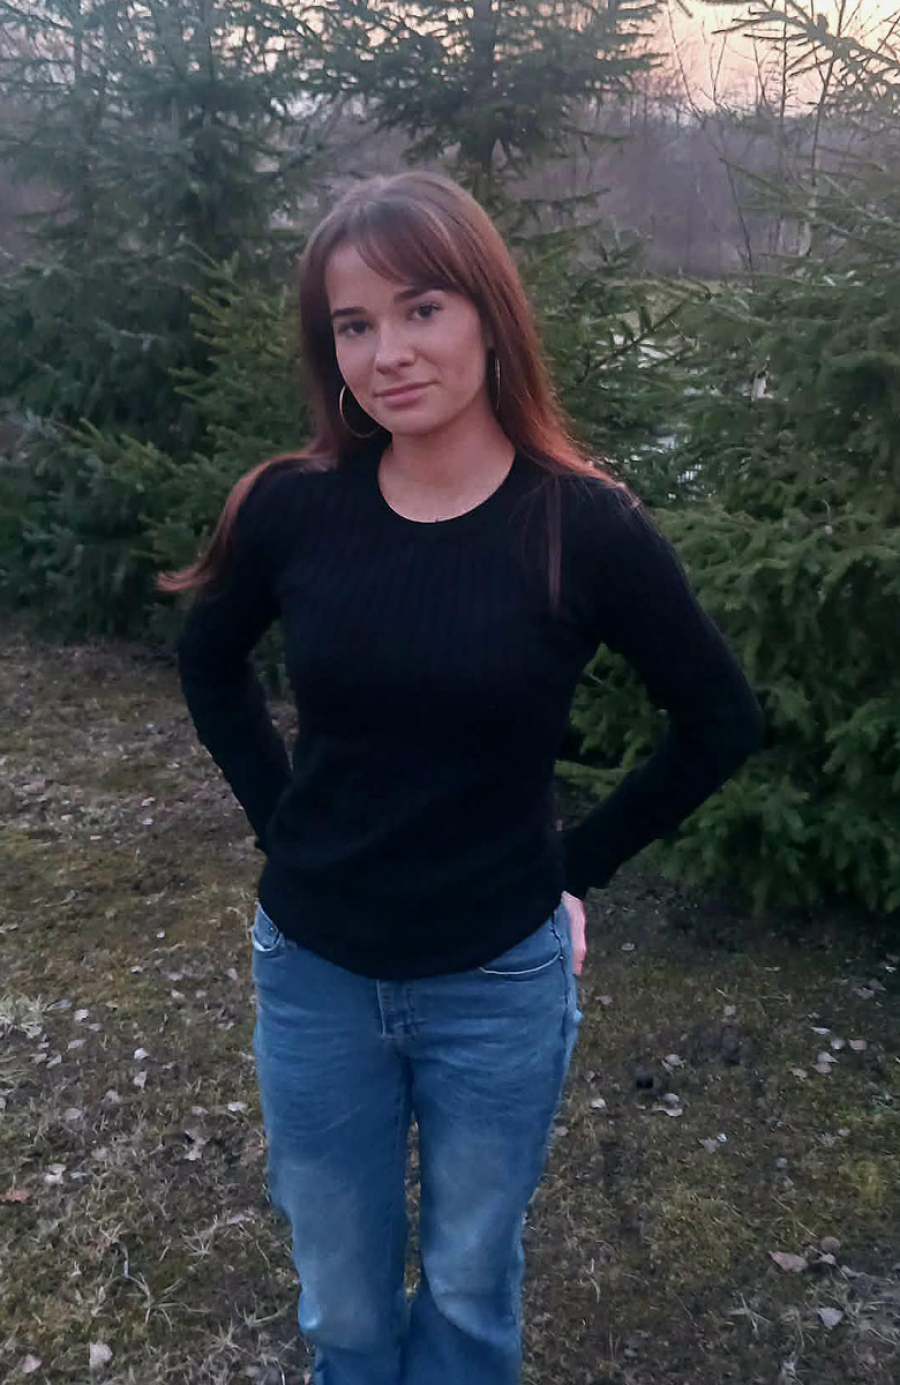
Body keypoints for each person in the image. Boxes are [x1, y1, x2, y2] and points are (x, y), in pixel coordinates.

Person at [159, 171, 764, 1385]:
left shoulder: (584, 524)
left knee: (472, 1288)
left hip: (497, 983)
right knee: (342, 1304)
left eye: (422, 308)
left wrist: (572, 866)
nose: (387, 352)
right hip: (316, 975)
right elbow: (209, 663)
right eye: (354, 323)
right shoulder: (292, 507)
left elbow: (719, 720)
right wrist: (285, 823)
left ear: (491, 315)